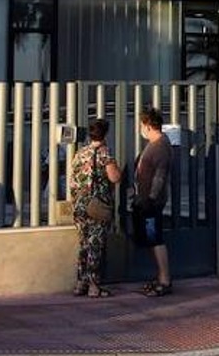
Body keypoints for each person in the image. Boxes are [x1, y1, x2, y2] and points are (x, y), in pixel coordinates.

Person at [69, 119, 121, 297]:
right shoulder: (104, 153)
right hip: (97, 205)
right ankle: (93, 285)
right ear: (105, 133)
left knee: (83, 244)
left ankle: (80, 283)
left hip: (79, 205)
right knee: (95, 244)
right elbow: (114, 177)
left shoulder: (80, 153)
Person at [132, 107, 173, 297]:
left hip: (151, 202)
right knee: (150, 238)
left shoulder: (161, 146)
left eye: (142, 125)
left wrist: (151, 198)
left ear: (148, 126)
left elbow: (160, 176)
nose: (140, 129)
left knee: (155, 238)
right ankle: (160, 277)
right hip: (145, 199)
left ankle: (165, 280)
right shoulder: (154, 144)